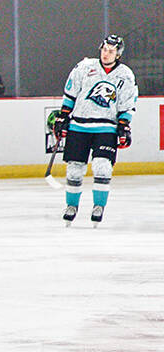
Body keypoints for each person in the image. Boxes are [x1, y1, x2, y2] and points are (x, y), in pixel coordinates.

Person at [51, 35, 137, 224]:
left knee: (103, 167)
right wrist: (63, 116)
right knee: (74, 169)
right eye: (105, 49)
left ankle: (99, 206)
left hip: (106, 127)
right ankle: (71, 206)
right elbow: (70, 94)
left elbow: (127, 104)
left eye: (111, 51)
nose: (106, 54)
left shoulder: (126, 75)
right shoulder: (84, 67)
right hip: (79, 125)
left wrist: (124, 126)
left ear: (118, 54)